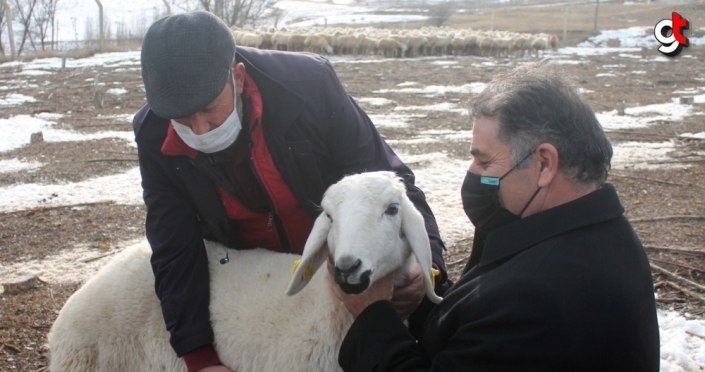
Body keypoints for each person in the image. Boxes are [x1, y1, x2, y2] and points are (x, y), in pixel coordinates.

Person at [133, 11, 447, 372]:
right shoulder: (154, 132)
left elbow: (388, 181)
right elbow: (174, 244)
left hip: (340, 261)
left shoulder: (308, 86)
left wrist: (430, 269)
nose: (200, 130)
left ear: (237, 77)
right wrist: (199, 357)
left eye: (208, 109)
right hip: (258, 279)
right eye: (183, 119)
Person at [330, 62, 660, 371]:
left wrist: (370, 314)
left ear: (544, 163)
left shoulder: (536, 296)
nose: (474, 174)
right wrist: (425, 296)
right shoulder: (594, 234)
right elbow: (479, 335)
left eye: (485, 163)